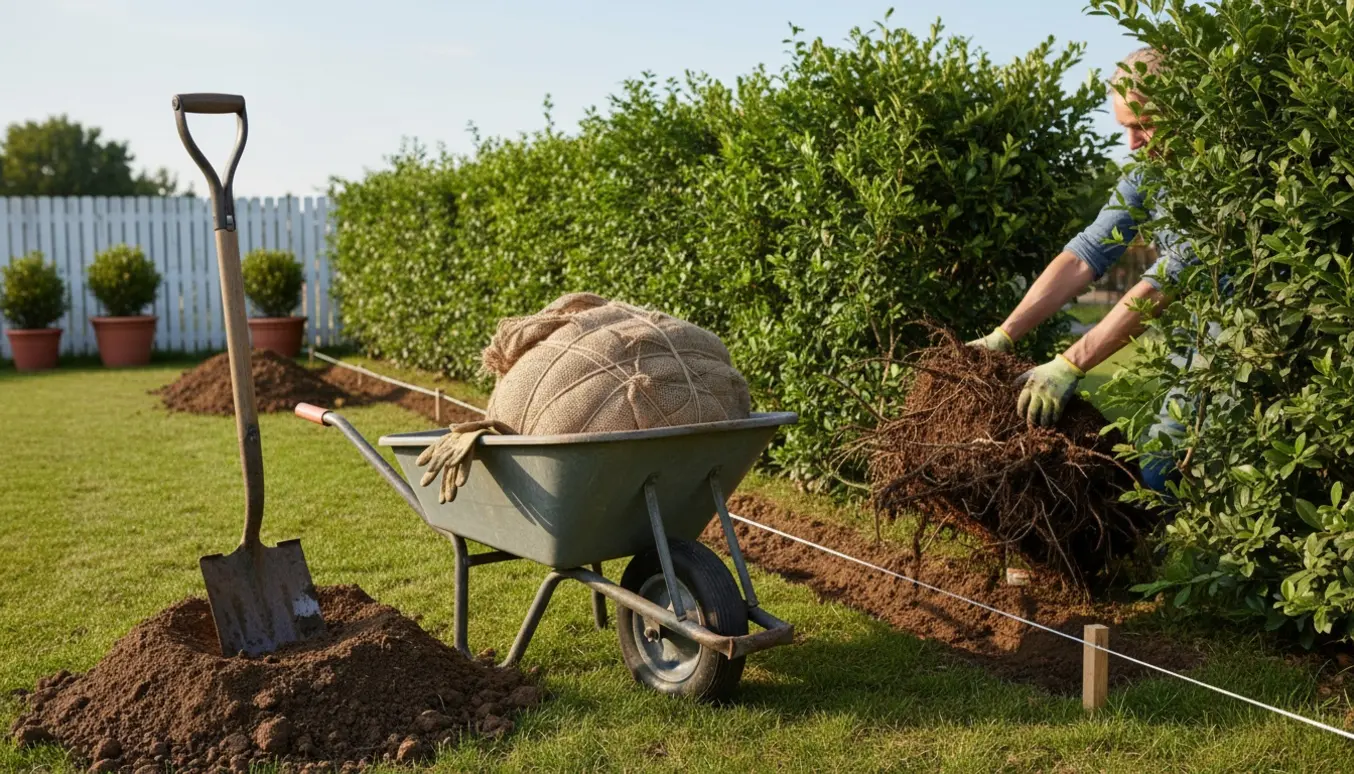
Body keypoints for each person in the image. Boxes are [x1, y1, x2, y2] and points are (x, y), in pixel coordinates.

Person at [967, 47, 1196, 492]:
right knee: (1157, 468)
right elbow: (1086, 253)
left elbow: (1174, 271)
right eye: (1124, 127)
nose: (1132, 144)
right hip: (1193, 346)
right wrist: (1004, 335)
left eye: (1142, 124)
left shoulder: (1219, 174)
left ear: (1180, 107)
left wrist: (1071, 363)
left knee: (1161, 470)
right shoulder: (1149, 173)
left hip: (1248, 347)